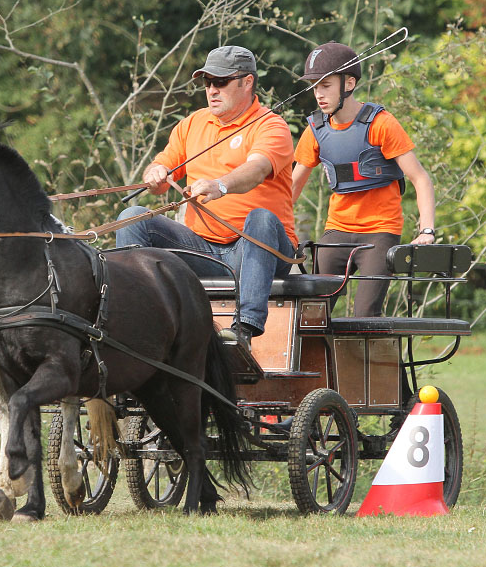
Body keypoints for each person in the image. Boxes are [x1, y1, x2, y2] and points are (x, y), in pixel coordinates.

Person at [114, 45, 297, 350]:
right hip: (204, 251)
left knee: (261, 218)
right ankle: (134, 326)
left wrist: (220, 185)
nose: (212, 90)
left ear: (247, 82)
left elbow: (256, 169)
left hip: (259, 251)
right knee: (132, 217)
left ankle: (243, 332)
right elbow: (163, 168)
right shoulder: (192, 124)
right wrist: (156, 172)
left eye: (221, 82)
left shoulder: (271, 126)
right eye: (207, 83)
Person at [291, 41, 436, 317]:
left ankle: (374, 359)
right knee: (310, 316)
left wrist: (426, 230)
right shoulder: (315, 130)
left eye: (326, 85)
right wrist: (279, 228)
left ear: (348, 84)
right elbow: (293, 186)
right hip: (337, 230)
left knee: (364, 315)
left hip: (379, 231)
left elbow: (420, 178)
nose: (318, 94)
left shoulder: (381, 124)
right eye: (315, 87)